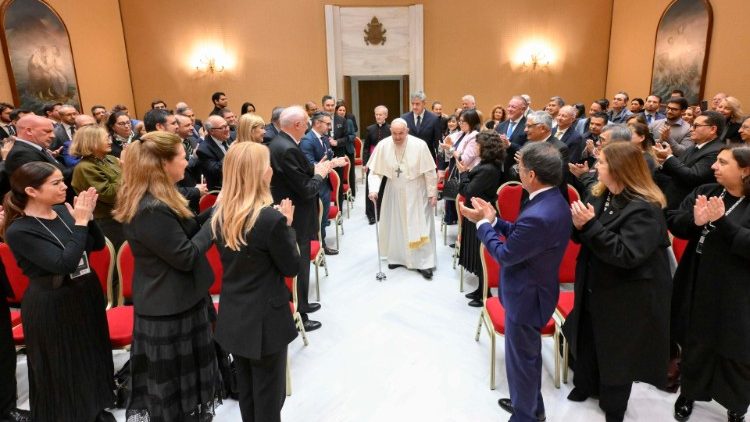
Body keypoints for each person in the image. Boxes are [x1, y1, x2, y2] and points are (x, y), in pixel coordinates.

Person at [113, 131, 222, 421]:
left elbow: (185, 233)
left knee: (189, 382)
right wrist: (214, 226)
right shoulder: (150, 208)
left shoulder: (162, 198)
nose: (187, 163)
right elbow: (185, 255)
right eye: (183, 158)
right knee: (171, 389)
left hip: (182, 298)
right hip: (168, 308)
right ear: (162, 164)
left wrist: (217, 210)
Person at [460, 141, 571, 422]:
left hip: (526, 296)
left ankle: (525, 416)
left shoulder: (538, 213)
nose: (517, 171)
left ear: (531, 175)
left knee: (522, 362)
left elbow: (507, 254)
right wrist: (494, 220)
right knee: (527, 358)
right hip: (536, 290)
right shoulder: (553, 199)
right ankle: (533, 407)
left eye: (520, 168)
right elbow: (524, 237)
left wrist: (482, 226)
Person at [563, 142, 671, 422]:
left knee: (616, 350)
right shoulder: (602, 194)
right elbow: (584, 234)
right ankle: (585, 385)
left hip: (625, 293)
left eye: (601, 163)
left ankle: (614, 406)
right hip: (593, 282)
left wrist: (588, 226)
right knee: (587, 337)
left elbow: (627, 254)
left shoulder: (645, 209)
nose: (595, 166)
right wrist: (579, 227)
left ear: (619, 169)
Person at [2, 162, 115, 422]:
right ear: (31, 190)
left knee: (93, 356)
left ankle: (94, 408)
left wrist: (88, 217)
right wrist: (81, 221)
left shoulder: (62, 212)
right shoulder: (20, 230)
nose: (64, 186)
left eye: (62, 180)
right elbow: (63, 263)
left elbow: (96, 245)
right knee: (65, 365)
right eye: (55, 183)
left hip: (85, 293)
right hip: (53, 303)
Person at [211, 142, 299, 422]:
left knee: (248, 393)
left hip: (234, 315)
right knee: (270, 398)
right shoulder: (269, 219)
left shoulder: (221, 213)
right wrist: (288, 225)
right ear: (259, 174)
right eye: (266, 165)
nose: (271, 169)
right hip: (266, 320)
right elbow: (291, 266)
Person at [667, 145, 750, 422]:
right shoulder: (708, 190)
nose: (714, 166)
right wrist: (694, 220)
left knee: (735, 350)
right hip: (698, 278)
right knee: (696, 341)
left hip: (738, 290)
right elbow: (674, 220)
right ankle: (689, 393)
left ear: (745, 170)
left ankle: (736, 404)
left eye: (723, 162)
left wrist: (722, 223)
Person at [268, 106, 331, 332]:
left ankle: (302, 303)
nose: (308, 125)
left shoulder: (280, 143)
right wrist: (320, 174)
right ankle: (300, 314)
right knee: (300, 263)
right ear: (297, 125)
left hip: (293, 211)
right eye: (306, 122)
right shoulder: (287, 149)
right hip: (297, 215)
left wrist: (316, 168)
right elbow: (305, 189)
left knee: (300, 262)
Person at [367, 118, 437, 280]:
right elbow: (375, 172)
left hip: (416, 191)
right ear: (390, 131)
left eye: (401, 133)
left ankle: (424, 263)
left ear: (407, 131)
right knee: (396, 225)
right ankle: (397, 258)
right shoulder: (384, 145)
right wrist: (374, 190)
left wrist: (432, 193)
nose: (397, 137)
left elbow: (429, 172)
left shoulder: (420, 145)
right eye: (394, 133)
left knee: (419, 226)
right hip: (394, 190)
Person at [459, 132, 505, 307]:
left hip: (481, 214)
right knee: (477, 252)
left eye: (478, 145)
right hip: (477, 211)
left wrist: (464, 174)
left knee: (481, 255)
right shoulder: (488, 165)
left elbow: (468, 191)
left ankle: (484, 292)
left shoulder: (487, 168)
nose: (475, 147)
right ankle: (480, 289)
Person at [70, 125, 124, 249]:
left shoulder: (109, 159)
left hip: (122, 216)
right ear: (91, 142)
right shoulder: (85, 168)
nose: (110, 141)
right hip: (108, 221)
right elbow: (110, 195)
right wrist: (125, 172)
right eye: (105, 139)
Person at [363, 106, 390, 224]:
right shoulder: (370, 129)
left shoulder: (390, 129)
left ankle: (382, 211)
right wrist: (365, 163)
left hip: (386, 161)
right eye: (376, 114)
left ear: (386, 116)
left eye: (381, 114)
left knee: (384, 186)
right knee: (371, 186)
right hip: (372, 161)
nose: (378, 117)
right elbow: (366, 148)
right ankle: (371, 214)